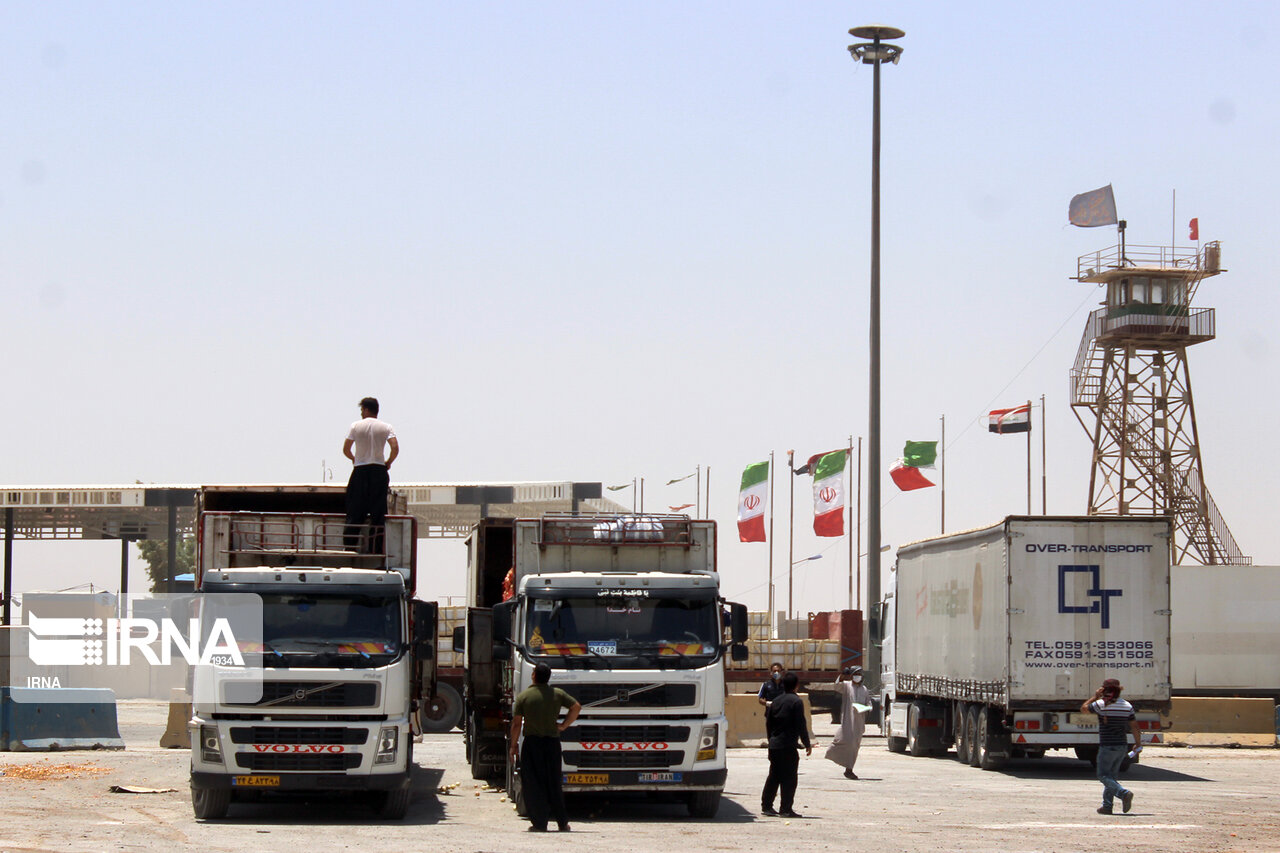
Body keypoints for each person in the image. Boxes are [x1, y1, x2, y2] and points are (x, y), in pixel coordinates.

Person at [510, 662, 581, 832]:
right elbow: (576, 707)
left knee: (534, 783)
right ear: (548, 677)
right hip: (552, 743)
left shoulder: (524, 697)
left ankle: (540, 823)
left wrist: (513, 746)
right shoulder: (557, 694)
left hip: (532, 744)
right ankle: (562, 823)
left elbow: (517, 724)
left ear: (533, 675)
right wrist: (563, 725)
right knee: (554, 782)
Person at [342, 397, 398, 552]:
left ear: (366, 409)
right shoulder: (386, 427)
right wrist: (388, 462)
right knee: (378, 512)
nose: (361, 413)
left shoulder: (355, 426)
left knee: (355, 508)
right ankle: (376, 548)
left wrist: (354, 458)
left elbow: (346, 449)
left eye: (362, 410)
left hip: (361, 469)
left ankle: (350, 546)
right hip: (379, 470)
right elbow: (395, 447)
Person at [1081, 678, 1142, 815]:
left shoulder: (1101, 704)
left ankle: (1123, 793)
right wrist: (1138, 744)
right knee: (1111, 777)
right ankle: (1107, 806)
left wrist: (1095, 696)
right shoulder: (1127, 706)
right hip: (1121, 746)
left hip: (1107, 746)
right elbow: (1134, 726)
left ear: (1104, 690)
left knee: (1103, 775)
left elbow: (1084, 709)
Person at [761, 671, 811, 818]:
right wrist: (807, 743)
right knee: (789, 778)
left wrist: (771, 740)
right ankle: (786, 809)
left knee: (774, 776)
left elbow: (768, 723)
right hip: (787, 745)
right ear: (796, 685)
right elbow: (801, 724)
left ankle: (767, 806)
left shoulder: (775, 701)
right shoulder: (796, 702)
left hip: (774, 745)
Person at [825, 665, 870, 779]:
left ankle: (849, 769)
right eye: (855, 674)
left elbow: (869, 704)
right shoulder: (847, 686)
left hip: (859, 723)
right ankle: (832, 754)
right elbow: (836, 686)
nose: (857, 677)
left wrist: (865, 708)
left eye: (859, 674)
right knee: (841, 740)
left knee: (854, 746)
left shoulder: (864, 689)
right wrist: (842, 675)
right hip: (848, 721)